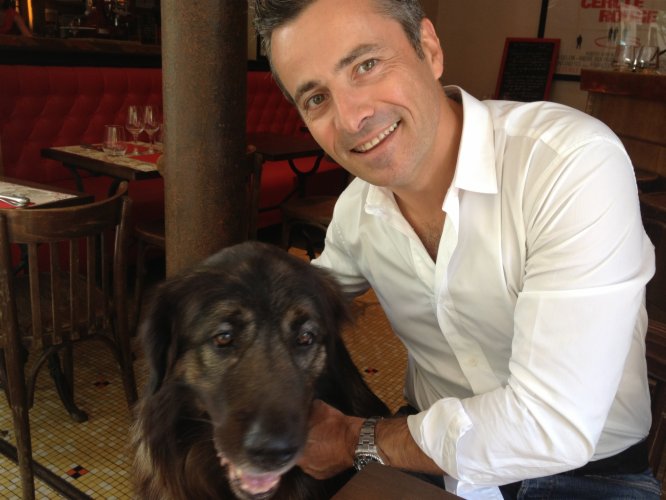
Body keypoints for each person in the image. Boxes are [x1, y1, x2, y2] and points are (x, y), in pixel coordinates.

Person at [253, 0, 660, 498]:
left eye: (366, 65)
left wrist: (352, 440)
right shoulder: (358, 211)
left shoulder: (567, 164)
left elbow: (552, 426)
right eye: (317, 98)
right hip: (430, 457)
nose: (353, 118)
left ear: (428, 48)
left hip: (590, 472)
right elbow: (295, 307)